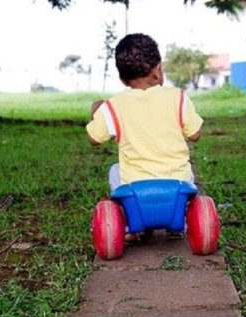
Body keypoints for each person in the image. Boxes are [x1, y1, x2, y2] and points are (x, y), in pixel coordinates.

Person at [86, 33, 203, 242]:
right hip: (177, 184)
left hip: (135, 189)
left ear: (122, 78)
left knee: (115, 170)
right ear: (158, 69)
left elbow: (94, 138)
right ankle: (178, 221)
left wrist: (96, 111)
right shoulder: (178, 97)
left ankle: (131, 224)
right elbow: (195, 135)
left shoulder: (114, 106)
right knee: (187, 169)